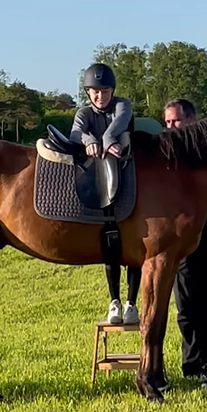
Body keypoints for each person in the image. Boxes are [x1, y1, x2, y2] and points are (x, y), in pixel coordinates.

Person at [164, 98, 207, 387]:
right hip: (179, 237)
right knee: (184, 304)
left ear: (190, 120)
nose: (171, 127)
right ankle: (191, 365)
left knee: (203, 302)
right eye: (167, 122)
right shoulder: (168, 154)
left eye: (175, 121)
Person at [70, 62, 139, 325]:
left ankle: (131, 301)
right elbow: (76, 132)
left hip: (122, 160)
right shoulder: (84, 112)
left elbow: (121, 122)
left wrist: (108, 139)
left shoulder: (123, 105)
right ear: (88, 92)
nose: (101, 96)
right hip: (95, 162)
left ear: (113, 90)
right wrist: (89, 141)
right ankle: (114, 301)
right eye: (95, 91)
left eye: (105, 90)